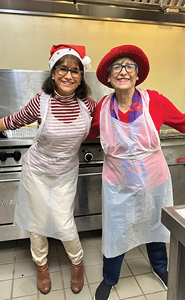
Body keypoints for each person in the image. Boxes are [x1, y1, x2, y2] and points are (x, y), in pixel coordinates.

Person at [87, 44, 185, 300]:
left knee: (155, 223)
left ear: (137, 75)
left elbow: (182, 122)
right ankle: (110, 278)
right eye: (116, 67)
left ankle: (161, 269)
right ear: (109, 77)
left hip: (153, 180)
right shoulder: (102, 107)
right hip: (117, 183)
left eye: (129, 66)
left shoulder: (156, 101)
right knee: (116, 228)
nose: (123, 71)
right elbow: (91, 131)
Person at [0, 44, 97, 295]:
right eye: (63, 69)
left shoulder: (89, 105)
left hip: (66, 172)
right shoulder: (40, 103)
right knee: (37, 223)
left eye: (75, 71)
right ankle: (41, 265)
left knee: (64, 223)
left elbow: (106, 125)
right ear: (53, 73)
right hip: (37, 171)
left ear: (81, 77)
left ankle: (77, 263)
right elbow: (12, 120)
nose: (68, 75)